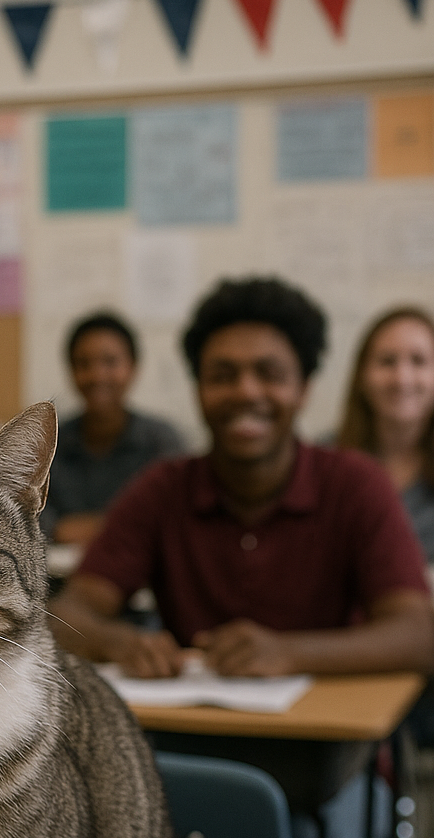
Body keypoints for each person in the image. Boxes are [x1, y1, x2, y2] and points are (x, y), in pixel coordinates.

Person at [51, 277, 434, 681]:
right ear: (198, 390)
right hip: (199, 735)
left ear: (304, 390)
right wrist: (120, 643)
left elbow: (418, 635)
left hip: (333, 734)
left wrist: (290, 653)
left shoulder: (356, 484)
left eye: (269, 373)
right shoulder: (162, 490)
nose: (246, 391)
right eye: (222, 375)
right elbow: (66, 615)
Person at [41, 311, 184, 544]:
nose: (97, 375)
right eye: (83, 363)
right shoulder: (51, 441)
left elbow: (174, 516)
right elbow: (27, 516)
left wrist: (77, 528)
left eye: (110, 362)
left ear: (133, 367)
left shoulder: (161, 440)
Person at [337, 307, 434, 564]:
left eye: (419, 361)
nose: (402, 378)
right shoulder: (324, 460)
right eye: (387, 361)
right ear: (362, 375)